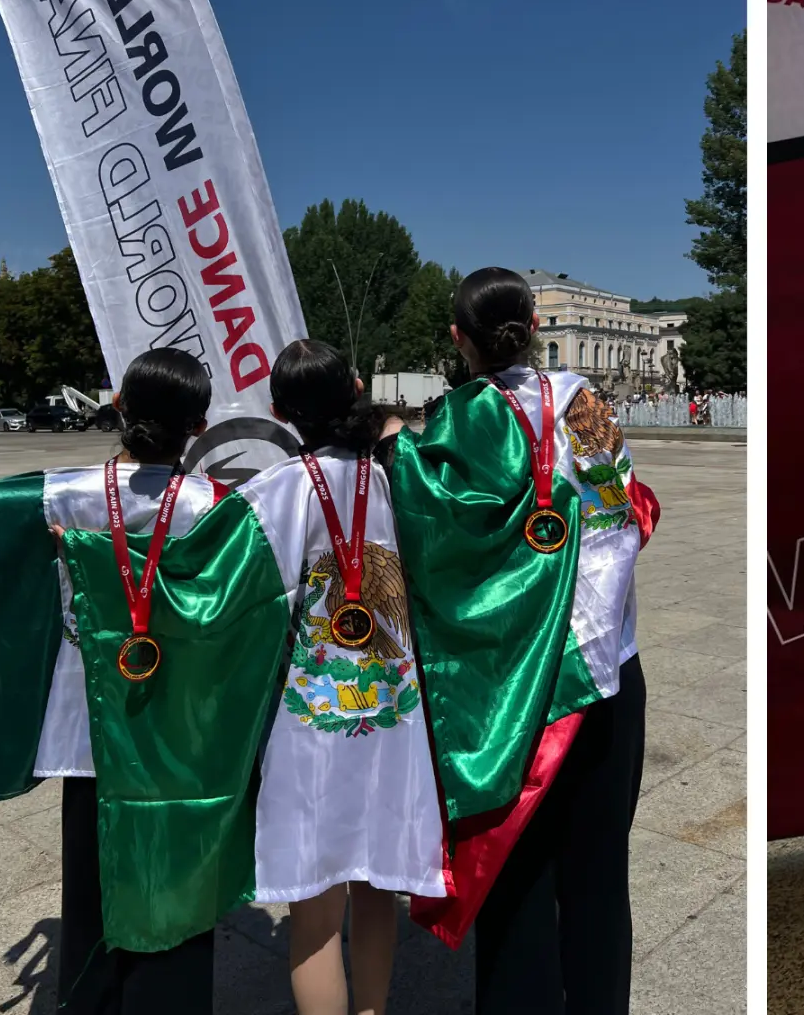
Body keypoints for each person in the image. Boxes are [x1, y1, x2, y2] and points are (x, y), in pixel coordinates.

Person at [0, 348, 230, 1015]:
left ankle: (92, 998)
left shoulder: (63, 493)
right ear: (199, 426)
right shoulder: (219, 506)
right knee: (182, 870)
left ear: (121, 408)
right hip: (181, 727)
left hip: (88, 727)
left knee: (92, 877)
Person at [379, 266, 651, 1013]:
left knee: (518, 877)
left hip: (517, 693)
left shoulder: (463, 417)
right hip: (606, 673)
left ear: (457, 338)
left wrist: (389, 444)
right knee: (599, 877)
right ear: (534, 329)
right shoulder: (587, 403)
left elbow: (431, 521)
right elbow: (623, 516)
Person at [253, 339, 447, 1015]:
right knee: (377, 894)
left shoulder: (273, 492)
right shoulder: (402, 476)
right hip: (397, 723)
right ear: (359, 387)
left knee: (313, 920)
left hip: (310, 728)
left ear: (279, 411)